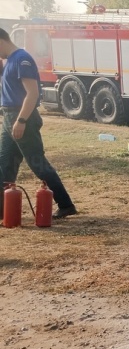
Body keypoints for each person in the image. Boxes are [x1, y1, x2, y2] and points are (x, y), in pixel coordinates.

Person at [0, 28, 76, 220]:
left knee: (37, 163)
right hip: (9, 117)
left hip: (21, 117)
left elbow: (32, 93)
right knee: (5, 164)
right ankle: (2, 209)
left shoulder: (21, 59)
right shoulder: (8, 61)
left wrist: (21, 120)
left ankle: (65, 204)